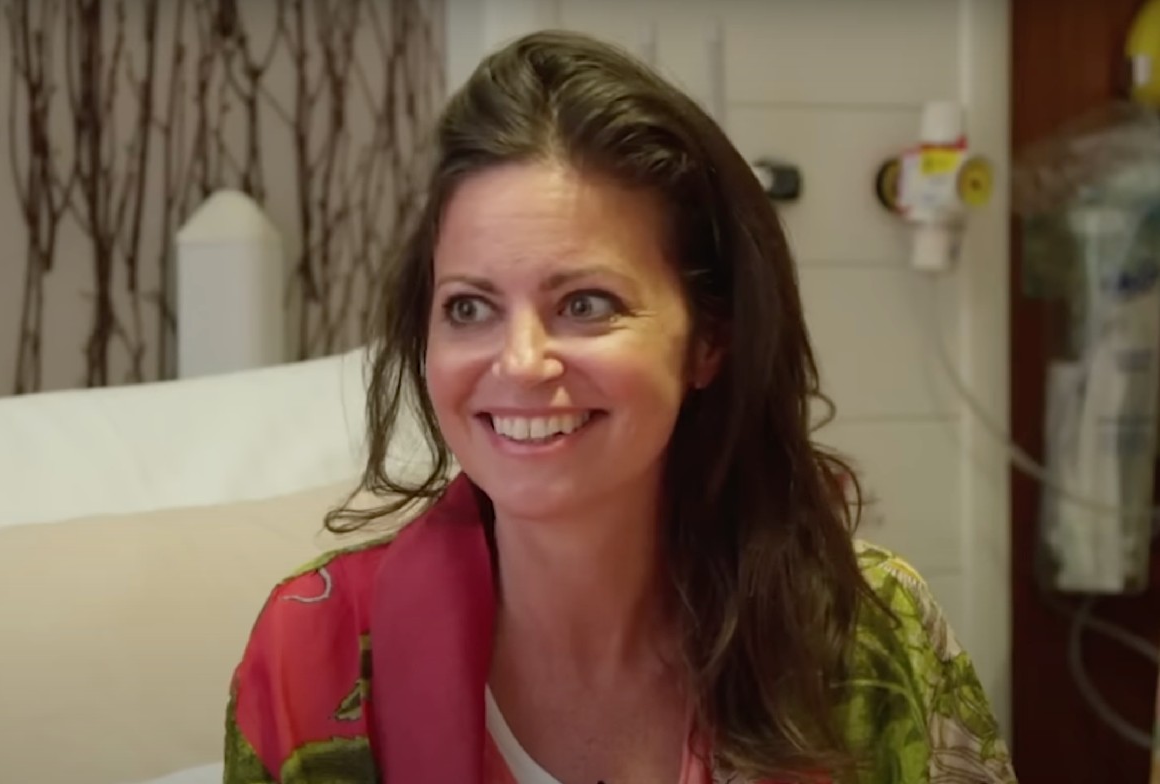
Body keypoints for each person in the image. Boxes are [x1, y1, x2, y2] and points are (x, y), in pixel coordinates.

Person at [222, 29, 1017, 784]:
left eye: (586, 304)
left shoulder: (870, 635)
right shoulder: (314, 653)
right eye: (469, 307)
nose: (521, 362)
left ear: (708, 340)